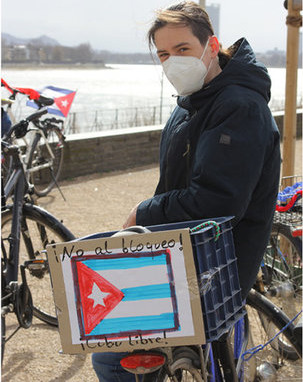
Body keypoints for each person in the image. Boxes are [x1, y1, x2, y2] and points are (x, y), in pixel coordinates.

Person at [92, 1, 281, 380]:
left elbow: (217, 201)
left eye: (182, 50)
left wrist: (144, 212)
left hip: (218, 263)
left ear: (212, 46)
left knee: (111, 355)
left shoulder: (238, 106)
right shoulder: (193, 102)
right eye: (163, 54)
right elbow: (178, 184)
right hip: (186, 251)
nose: (172, 62)